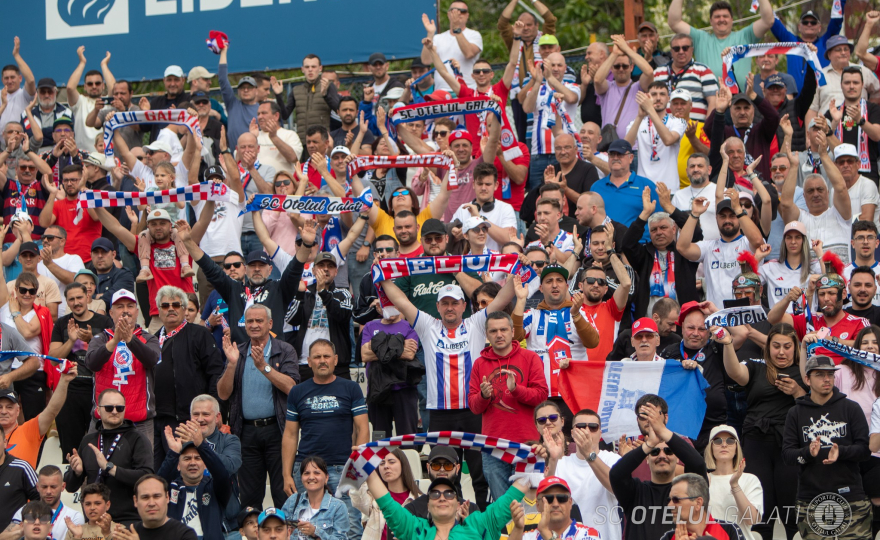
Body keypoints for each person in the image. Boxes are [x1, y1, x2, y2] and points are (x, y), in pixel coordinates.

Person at [282, 339, 366, 540]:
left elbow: (362, 428)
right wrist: (286, 475)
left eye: (326, 356)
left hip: (343, 467)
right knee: (303, 528)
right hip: (305, 469)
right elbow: (290, 435)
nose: (322, 361)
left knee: (351, 527)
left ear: (335, 360)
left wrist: (356, 464)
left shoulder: (351, 388)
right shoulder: (297, 392)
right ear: (308, 361)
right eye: (317, 357)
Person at [783, 354, 872, 540]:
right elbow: (788, 455)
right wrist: (808, 453)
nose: (827, 379)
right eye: (820, 374)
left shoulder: (851, 408)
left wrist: (842, 452)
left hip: (851, 498)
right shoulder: (796, 413)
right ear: (807, 379)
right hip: (811, 499)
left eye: (830, 374)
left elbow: (865, 450)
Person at [219, 304, 299, 509]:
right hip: (245, 432)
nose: (254, 325)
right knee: (249, 498)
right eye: (250, 321)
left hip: (278, 431)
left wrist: (263, 366)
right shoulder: (238, 352)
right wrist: (231, 364)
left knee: (283, 495)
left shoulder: (284, 349)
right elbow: (223, 393)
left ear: (270, 323)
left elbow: (292, 387)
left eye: (259, 321)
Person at [469, 311, 548, 499]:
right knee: (502, 509)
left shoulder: (530, 358)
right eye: (493, 331)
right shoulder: (479, 364)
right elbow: (473, 406)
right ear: (487, 335)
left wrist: (516, 389)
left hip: (528, 444)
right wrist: (483, 395)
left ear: (513, 332)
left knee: (529, 507)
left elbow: (541, 396)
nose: (499, 334)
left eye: (504, 329)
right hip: (492, 446)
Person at [514, 265, 599, 428]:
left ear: (567, 286)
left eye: (559, 280)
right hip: (541, 398)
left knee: (575, 447)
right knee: (545, 448)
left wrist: (575, 314)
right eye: (549, 281)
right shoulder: (532, 314)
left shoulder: (581, 312)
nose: (554, 285)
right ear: (540, 287)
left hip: (574, 395)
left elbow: (593, 342)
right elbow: (515, 336)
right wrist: (520, 300)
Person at [609, 399, 708, 540]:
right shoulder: (635, 491)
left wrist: (662, 431)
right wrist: (649, 444)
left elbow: (698, 465)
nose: (662, 456)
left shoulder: (688, 491)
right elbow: (616, 474)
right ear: (647, 459)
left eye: (668, 451)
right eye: (655, 452)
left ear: (677, 457)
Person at [151, 285, 224, 468]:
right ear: (159, 310)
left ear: (184, 309)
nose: (171, 309)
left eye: (176, 305)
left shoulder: (199, 334)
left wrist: (215, 409)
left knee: (184, 472)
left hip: (187, 420)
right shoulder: (152, 339)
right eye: (165, 305)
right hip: (157, 419)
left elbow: (215, 372)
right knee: (159, 472)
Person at [64, 389, 153, 526]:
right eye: (109, 407)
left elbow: (147, 477)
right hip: (94, 522)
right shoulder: (89, 440)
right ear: (98, 411)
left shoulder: (137, 438)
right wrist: (77, 473)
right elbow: (70, 487)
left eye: (120, 408)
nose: (115, 411)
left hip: (127, 521)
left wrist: (111, 468)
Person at [84, 289, 160, 444]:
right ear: (111, 313)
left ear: (137, 311)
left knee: (143, 467)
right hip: (103, 421)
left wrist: (130, 339)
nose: (125, 311)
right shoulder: (100, 338)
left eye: (130, 306)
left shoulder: (149, 338)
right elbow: (92, 363)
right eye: (120, 307)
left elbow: (152, 360)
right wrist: (114, 340)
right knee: (95, 466)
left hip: (140, 422)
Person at [368, 468, 529, 540]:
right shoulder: (416, 529)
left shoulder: (477, 525)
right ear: (428, 505)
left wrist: (537, 460)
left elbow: (513, 493)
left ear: (457, 504)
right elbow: (387, 503)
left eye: (449, 493)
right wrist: (364, 464)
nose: (442, 497)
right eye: (435, 493)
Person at [48, 282, 114, 459]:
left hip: (98, 389)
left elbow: (115, 354)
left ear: (87, 297)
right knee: (71, 450)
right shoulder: (62, 323)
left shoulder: (104, 321)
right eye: (71, 299)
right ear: (67, 302)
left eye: (79, 297)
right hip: (70, 391)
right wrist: (70, 341)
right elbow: (54, 359)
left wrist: (93, 339)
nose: (76, 302)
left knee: (100, 448)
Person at [768, 256, 870, 363]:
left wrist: (831, 340)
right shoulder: (810, 320)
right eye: (822, 294)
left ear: (843, 294)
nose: (826, 299)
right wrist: (787, 298)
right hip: (812, 377)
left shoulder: (859, 322)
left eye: (831, 293)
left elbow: (867, 346)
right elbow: (773, 319)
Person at [543, 409, 621, 540]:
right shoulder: (561, 463)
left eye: (593, 427)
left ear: (600, 433)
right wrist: (553, 459)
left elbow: (616, 487)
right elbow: (545, 498)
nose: (586, 431)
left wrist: (588, 454)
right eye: (580, 427)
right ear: (572, 433)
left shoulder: (612, 459)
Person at [677, 192, 763, 308]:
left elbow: (758, 241)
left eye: (732, 216)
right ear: (716, 218)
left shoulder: (748, 243)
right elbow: (682, 247)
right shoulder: (708, 247)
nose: (727, 220)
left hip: (745, 316)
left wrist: (738, 209)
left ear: (738, 217)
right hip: (716, 319)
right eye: (723, 216)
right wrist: (694, 214)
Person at [157, 422, 231, 540]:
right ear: (178, 465)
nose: (192, 463)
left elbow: (222, 474)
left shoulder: (215, 488)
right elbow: (155, 487)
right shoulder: (170, 489)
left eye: (198, 458)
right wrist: (173, 453)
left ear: (205, 464)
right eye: (187, 458)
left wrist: (202, 446)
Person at [668, 0, 773, 83]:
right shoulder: (700, 38)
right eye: (717, 17)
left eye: (725, 16)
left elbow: (768, 21)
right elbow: (674, 22)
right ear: (711, 21)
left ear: (732, 19)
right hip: (710, 104)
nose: (721, 19)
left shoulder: (745, 36)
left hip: (741, 103)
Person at [360, 300, 421, 437]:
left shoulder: (410, 326)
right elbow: (365, 355)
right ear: (378, 307)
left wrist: (378, 346)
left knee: (407, 438)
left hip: (404, 389)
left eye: (393, 304)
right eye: (386, 305)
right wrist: (400, 343)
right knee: (379, 439)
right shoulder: (370, 326)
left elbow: (409, 354)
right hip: (378, 389)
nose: (391, 308)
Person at [189, 394, 242, 536]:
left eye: (206, 414)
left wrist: (201, 445)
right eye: (196, 414)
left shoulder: (230, 440)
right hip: (191, 525)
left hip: (227, 525)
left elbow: (231, 465)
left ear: (217, 417)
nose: (200, 419)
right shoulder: (183, 444)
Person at [700, 426, 764, 540]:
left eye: (730, 441)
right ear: (711, 447)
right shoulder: (702, 480)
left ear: (736, 448)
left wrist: (735, 485)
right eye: (718, 440)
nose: (724, 445)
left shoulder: (750, 479)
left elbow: (752, 519)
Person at [624, 84, 687, 193]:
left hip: (669, 188)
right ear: (648, 97)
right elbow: (626, 146)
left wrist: (650, 110)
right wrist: (639, 117)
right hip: (644, 188)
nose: (658, 98)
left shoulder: (678, 121)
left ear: (668, 98)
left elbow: (668, 140)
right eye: (654, 94)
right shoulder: (637, 122)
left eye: (662, 94)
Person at [575, 240, 631, 361]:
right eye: (590, 280)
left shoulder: (611, 308)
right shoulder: (572, 308)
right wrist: (575, 252)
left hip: (604, 374)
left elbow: (626, 283)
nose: (596, 284)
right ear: (580, 286)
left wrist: (610, 252)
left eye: (600, 282)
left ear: (606, 289)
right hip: (577, 373)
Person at [593, 35, 655, 142]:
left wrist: (626, 49)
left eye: (625, 66)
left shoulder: (639, 86)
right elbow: (597, 80)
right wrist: (614, 53)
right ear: (611, 68)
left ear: (631, 67)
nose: (621, 69)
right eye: (617, 66)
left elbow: (649, 72)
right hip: (610, 148)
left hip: (634, 148)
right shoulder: (607, 87)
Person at [807, 36, 880, 126]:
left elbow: (877, 91)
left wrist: (868, 107)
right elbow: (812, 108)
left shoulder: (863, 71)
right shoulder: (819, 75)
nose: (843, 53)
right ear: (829, 54)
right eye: (838, 50)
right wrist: (809, 136)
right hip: (828, 129)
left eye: (846, 49)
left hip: (860, 129)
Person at [352, 449, 422, 540]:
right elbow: (356, 496)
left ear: (403, 465)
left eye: (391, 462)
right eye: (381, 463)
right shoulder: (373, 498)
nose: (386, 466)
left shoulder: (419, 500)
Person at [39, 164, 102, 265]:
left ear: (82, 179)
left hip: (90, 260)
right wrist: (52, 193)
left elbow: (96, 216)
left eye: (73, 180)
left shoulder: (91, 198)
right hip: (64, 261)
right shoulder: (58, 204)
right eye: (66, 180)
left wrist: (83, 189)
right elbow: (44, 223)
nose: (69, 183)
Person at [826, 69, 880, 183]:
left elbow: (877, 135)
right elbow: (824, 144)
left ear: (862, 85)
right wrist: (835, 122)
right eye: (847, 83)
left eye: (855, 83)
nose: (851, 86)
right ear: (841, 85)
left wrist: (860, 120)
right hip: (839, 175)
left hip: (868, 174)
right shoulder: (833, 111)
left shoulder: (873, 109)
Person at [506, 476, 600, 540]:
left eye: (561, 498)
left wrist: (545, 532)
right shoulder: (528, 537)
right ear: (538, 505)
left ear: (570, 503)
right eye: (548, 499)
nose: (555, 504)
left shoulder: (588, 534)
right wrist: (518, 528)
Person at [590, 140, 658, 228]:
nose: (615, 158)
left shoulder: (646, 186)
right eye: (611, 154)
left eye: (620, 154)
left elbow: (659, 218)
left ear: (631, 158)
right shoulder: (596, 187)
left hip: (638, 241)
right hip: (605, 240)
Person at [653, 34, 718, 124]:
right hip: (664, 131)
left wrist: (707, 128)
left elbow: (713, 101)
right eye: (676, 48)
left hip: (695, 130)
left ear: (692, 49)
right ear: (671, 51)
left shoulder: (703, 70)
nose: (681, 51)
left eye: (685, 48)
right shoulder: (658, 72)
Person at [280, 456, 348, 540]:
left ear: (326, 478)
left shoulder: (338, 506)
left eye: (317, 473)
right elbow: (279, 529)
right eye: (306, 473)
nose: (311, 477)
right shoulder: (293, 500)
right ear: (301, 478)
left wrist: (315, 532)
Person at [420, 2, 484, 92]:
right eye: (455, 11)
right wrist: (430, 34)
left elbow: (469, 53)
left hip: (467, 90)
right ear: (448, 14)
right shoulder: (438, 38)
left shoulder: (474, 35)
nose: (459, 14)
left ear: (467, 15)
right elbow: (426, 60)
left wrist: (456, 27)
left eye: (462, 11)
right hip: (441, 92)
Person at [758, 221, 821, 312]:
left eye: (797, 237)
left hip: (807, 323)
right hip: (778, 324)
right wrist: (757, 257)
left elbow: (831, 281)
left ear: (804, 240)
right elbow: (747, 282)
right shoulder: (771, 267)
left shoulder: (814, 266)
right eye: (789, 237)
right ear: (784, 241)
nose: (793, 242)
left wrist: (820, 253)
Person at [404, 446, 480, 519]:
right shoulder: (413, 509)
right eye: (436, 465)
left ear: (457, 468)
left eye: (448, 465)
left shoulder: (471, 510)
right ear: (428, 468)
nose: (442, 469)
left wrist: (466, 525)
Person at [10, 465, 83, 540]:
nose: (48, 492)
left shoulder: (74, 516)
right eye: (44, 487)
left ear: (63, 486)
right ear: (37, 487)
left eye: (53, 487)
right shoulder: (24, 511)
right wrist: (24, 529)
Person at [64, 47, 114, 153]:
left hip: (106, 155)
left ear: (103, 85)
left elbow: (114, 88)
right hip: (84, 157)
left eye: (98, 83)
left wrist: (104, 65)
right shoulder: (80, 102)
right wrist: (82, 62)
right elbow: (70, 87)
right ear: (85, 87)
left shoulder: (108, 102)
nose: (94, 86)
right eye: (90, 84)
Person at [121, 475, 198, 540]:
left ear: (167, 497)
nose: (151, 503)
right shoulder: (128, 534)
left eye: (157, 496)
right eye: (145, 497)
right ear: (135, 501)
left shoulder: (185, 535)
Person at [218, 46, 262, 151]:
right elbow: (223, 80)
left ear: (256, 90)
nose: (246, 90)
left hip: (255, 156)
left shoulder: (262, 110)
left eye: (249, 87)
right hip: (234, 158)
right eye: (242, 88)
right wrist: (223, 52)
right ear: (238, 91)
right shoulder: (233, 104)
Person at [36, 225, 85, 318]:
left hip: (68, 317)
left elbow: (76, 281)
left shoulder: (73, 259)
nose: (45, 240)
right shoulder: (38, 263)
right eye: (43, 237)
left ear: (62, 241)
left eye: (50, 238)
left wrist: (50, 264)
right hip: (41, 319)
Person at [609, 298, 682, 360]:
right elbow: (610, 365)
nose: (674, 329)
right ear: (656, 318)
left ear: (658, 340)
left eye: (649, 336)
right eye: (639, 337)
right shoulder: (626, 337)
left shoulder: (676, 341)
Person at [672, 153, 718, 239]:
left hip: (715, 250)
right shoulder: (678, 195)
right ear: (686, 171)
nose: (696, 169)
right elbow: (673, 228)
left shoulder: (720, 192)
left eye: (700, 166)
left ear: (709, 170)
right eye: (692, 166)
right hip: (685, 250)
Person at [254, 101, 303, 174]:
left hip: (282, 184)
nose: (260, 117)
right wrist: (252, 138)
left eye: (264, 113)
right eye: (258, 114)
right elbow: (239, 160)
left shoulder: (289, 135)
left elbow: (293, 158)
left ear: (276, 116)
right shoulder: (254, 135)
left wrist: (274, 137)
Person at [0, 38, 36, 134]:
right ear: (2, 80)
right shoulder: (0, 95)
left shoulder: (24, 94)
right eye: (6, 78)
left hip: (22, 144)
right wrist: (3, 105)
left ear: (20, 78)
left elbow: (31, 80)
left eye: (13, 77)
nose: (9, 81)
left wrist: (16, 55)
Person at [90, 238, 134, 307]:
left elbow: (113, 299)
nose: (100, 256)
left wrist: (91, 297)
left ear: (113, 255)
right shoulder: (86, 277)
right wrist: (101, 296)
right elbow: (79, 299)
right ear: (91, 255)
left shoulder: (124, 275)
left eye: (104, 252)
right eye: (96, 252)